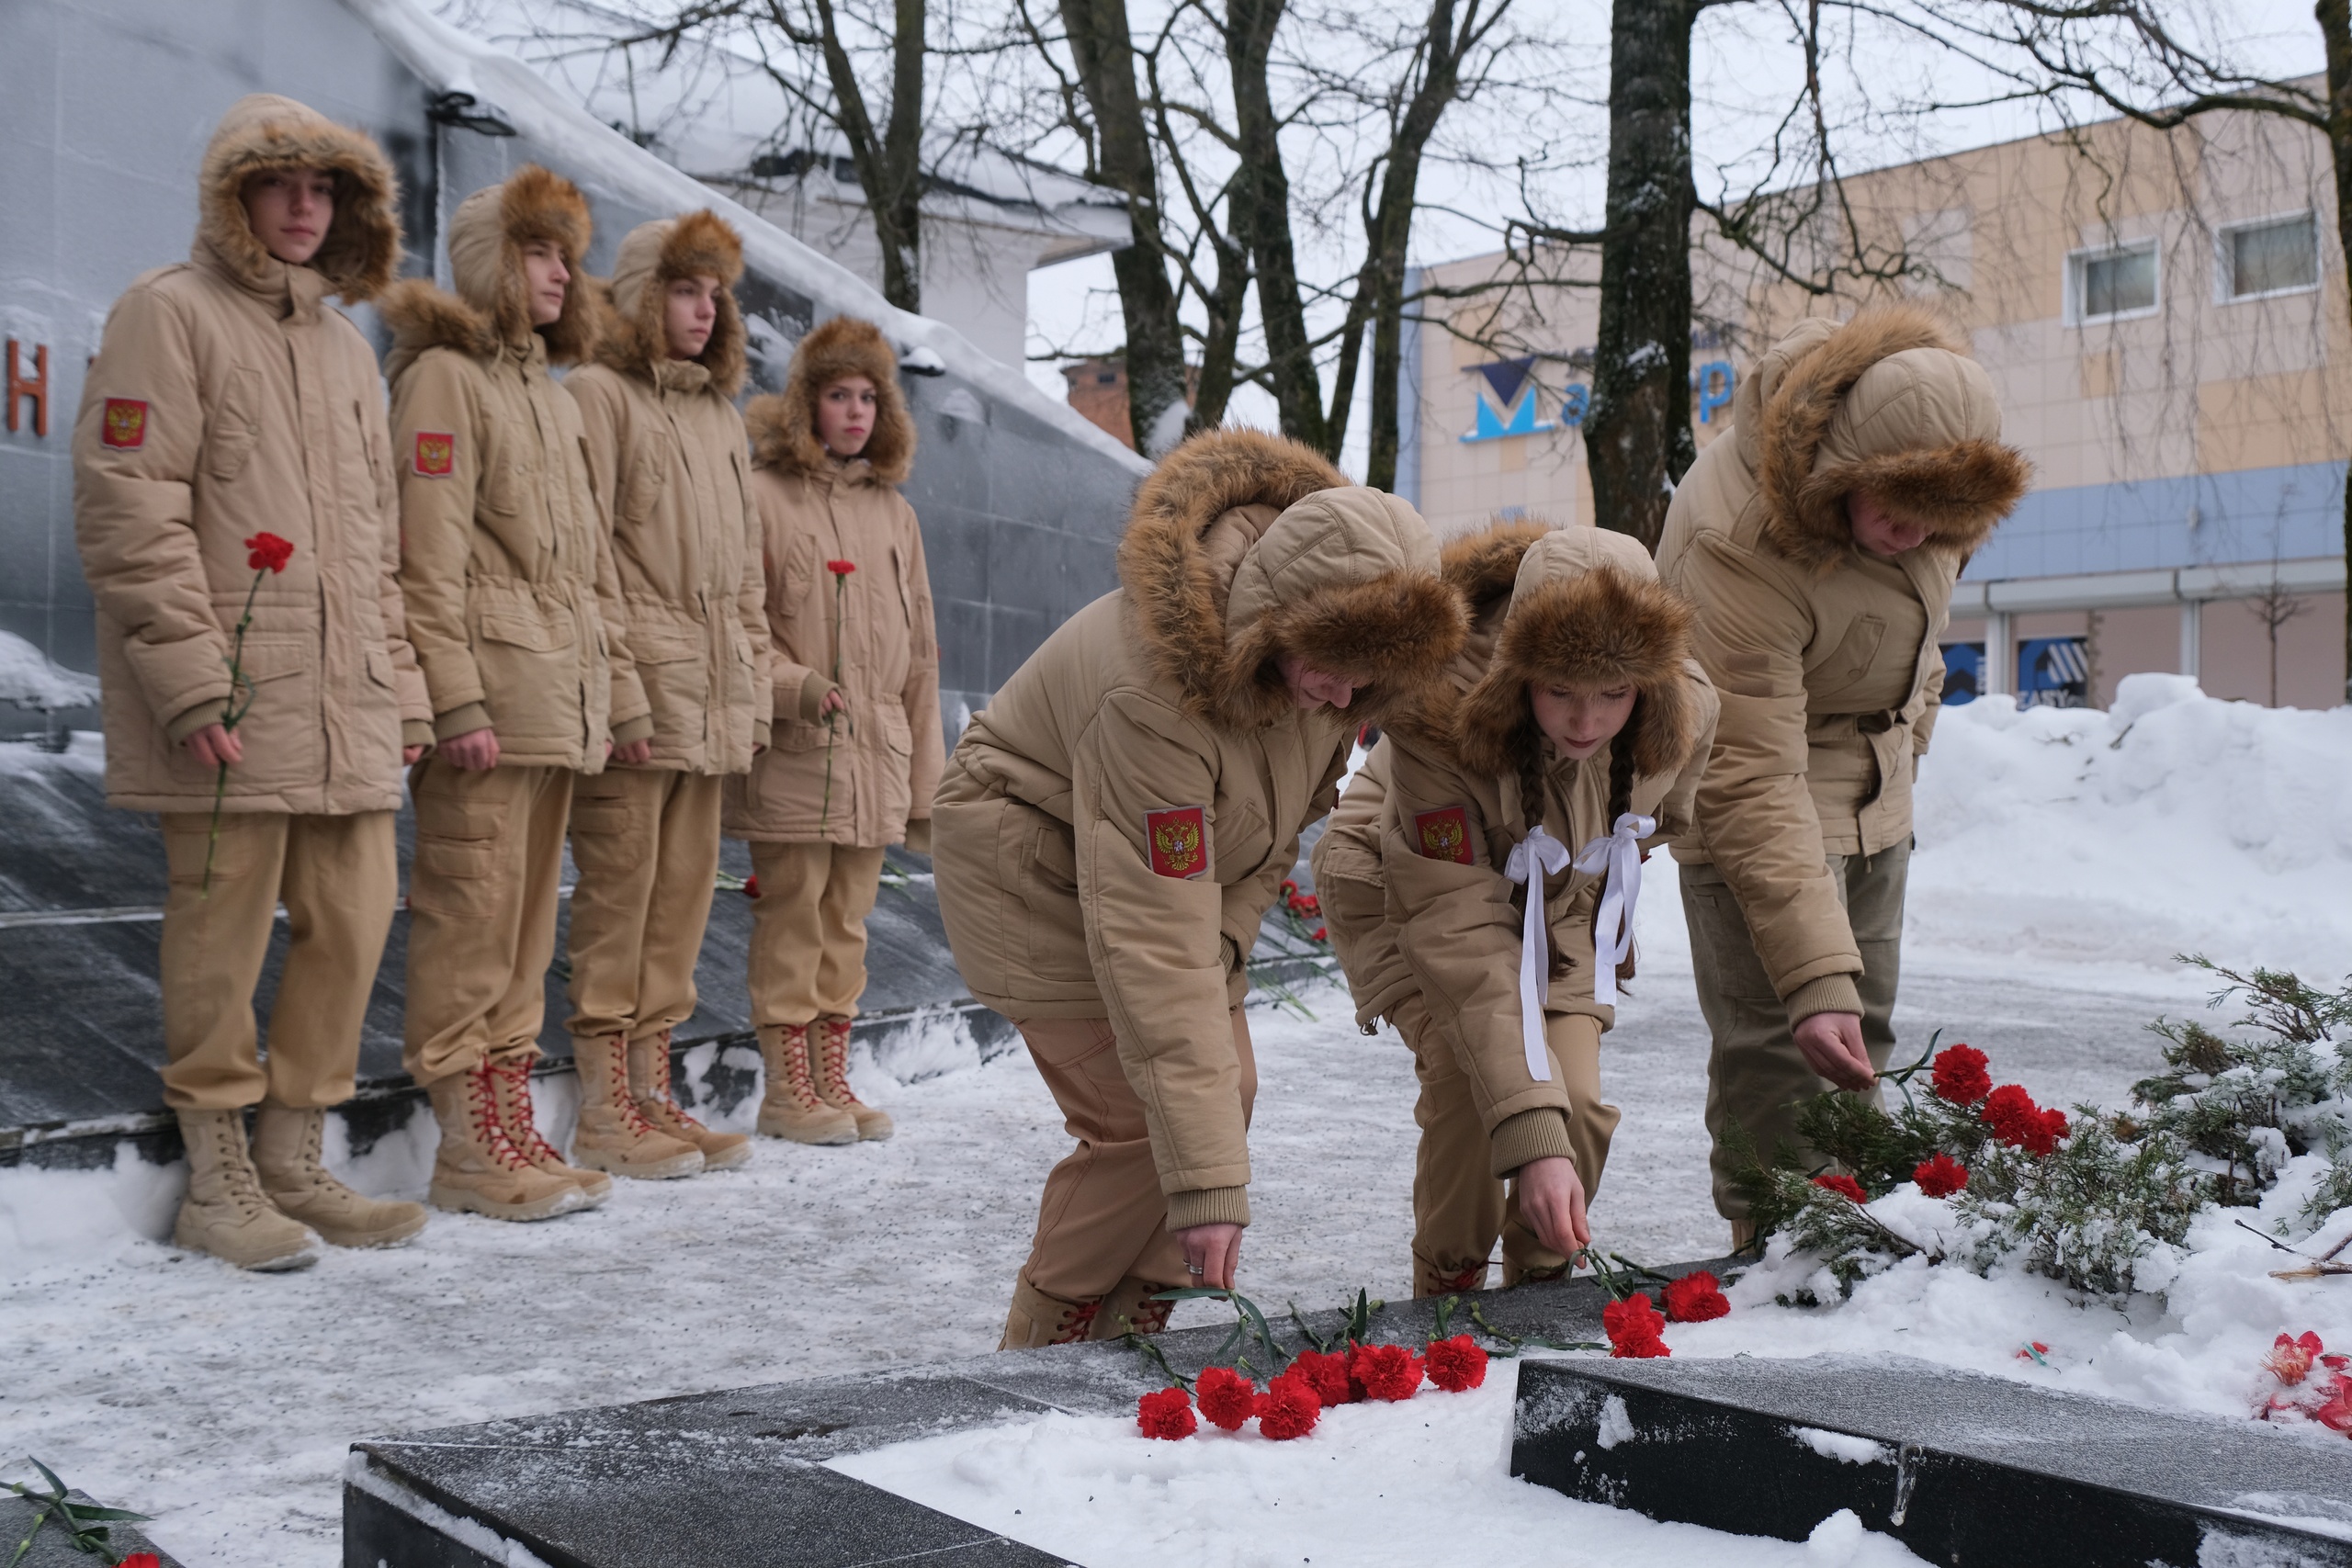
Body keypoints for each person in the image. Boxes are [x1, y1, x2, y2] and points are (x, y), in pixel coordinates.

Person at [932, 429, 1467, 1347]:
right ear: (1274, 618)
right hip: (1028, 867)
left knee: (1228, 1091)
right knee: (1140, 1126)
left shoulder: (1326, 685)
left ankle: (1131, 1319)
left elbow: (1263, 843)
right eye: (1331, 664)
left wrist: (1222, 946)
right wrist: (1208, 1195)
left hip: (1150, 880)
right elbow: (1150, 939)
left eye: (1368, 678)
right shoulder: (1158, 693)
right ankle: (1043, 1346)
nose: (1341, 699)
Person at [72, 94, 430, 1270]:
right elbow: (130, 505)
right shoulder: (164, 316)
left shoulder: (343, 347)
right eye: (277, 186)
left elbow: (378, 545)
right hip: (233, 695)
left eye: (322, 190)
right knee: (220, 931)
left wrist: (408, 692)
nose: (300, 208)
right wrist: (186, 680)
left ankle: (292, 1151)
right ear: (234, 199)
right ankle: (215, 1174)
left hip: (350, 700)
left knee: (354, 921)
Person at [1653, 303, 2028, 1244]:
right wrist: (1816, 980)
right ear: (1836, 472)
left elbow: (1914, 634)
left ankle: (1853, 1257)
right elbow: (1746, 771)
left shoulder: (1932, 506)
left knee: (1864, 1053)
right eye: (1895, 512)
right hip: (1756, 798)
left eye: (1936, 521)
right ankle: (1771, 1262)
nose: (1913, 538)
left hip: (1873, 797)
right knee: (1781, 1060)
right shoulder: (1735, 538)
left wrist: (1907, 740)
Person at [1313, 522, 1715, 1296]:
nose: (1586, 722)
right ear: (1517, 671)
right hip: (1406, 891)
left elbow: (1662, 821)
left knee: (1579, 1108)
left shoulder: (1687, 708)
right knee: (1475, 1092)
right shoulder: (1436, 718)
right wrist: (1527, 1131)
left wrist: (1591, 898)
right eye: (1559, 691)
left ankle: (1540, 1286)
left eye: (1614, 695)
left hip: (1555, 909)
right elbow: (1457, 926)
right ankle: (1448, 1287)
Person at [382, 166, 651, 1222]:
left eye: (568, 256)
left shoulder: (545, 390)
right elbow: (425, 559)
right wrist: (453, 701)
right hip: (491, 704)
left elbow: (590, 573)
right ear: (499, 261)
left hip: (556, 702)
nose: (560, 274)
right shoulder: (444, 379)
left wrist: (617, 700)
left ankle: (507, 1121)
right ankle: (466, 1141)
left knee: (526, 929)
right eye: (540, 253)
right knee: (469, 917)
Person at [561, 211, 769, 1179]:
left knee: (682, 904)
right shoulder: (596, 396)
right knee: (621, 898)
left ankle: (654, 1091)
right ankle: (606, 1107)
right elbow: (583, 556)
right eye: (685, 290)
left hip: (712, 708)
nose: (704, 309)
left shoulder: (721, 419)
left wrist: (753, 698)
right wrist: (621, 693)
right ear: (646, 295)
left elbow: (746, 581)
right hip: (638, 704)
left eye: (714, 292)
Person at [722, 317, 941, 1146]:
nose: (854, 411)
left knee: (847, 923)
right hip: (795, 748)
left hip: (875, 757)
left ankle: (828, 1076)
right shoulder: (763, 494)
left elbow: (922, 655)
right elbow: (745, 620)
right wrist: (795, 687)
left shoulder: (898, 516)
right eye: (837, 394)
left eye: (867, 397)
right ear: (805, 404)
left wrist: (925, 782)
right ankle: (787, 1088)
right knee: (792, 916)